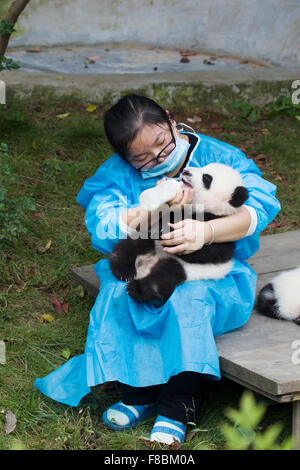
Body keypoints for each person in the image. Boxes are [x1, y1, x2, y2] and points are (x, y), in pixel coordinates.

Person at [34, 94, 281, 445]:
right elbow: (104, 227)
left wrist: (208, 231)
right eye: (142, 159)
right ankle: (139, 391)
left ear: (170, 120)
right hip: (148, 255)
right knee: (123, 292)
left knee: (186, 299)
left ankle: (179, 402)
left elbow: (257, 207)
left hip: (212, 274)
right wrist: (149, 209)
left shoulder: (219, 157)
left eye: (163, 145)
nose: (159, 159)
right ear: (124, 159)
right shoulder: (117, 175)